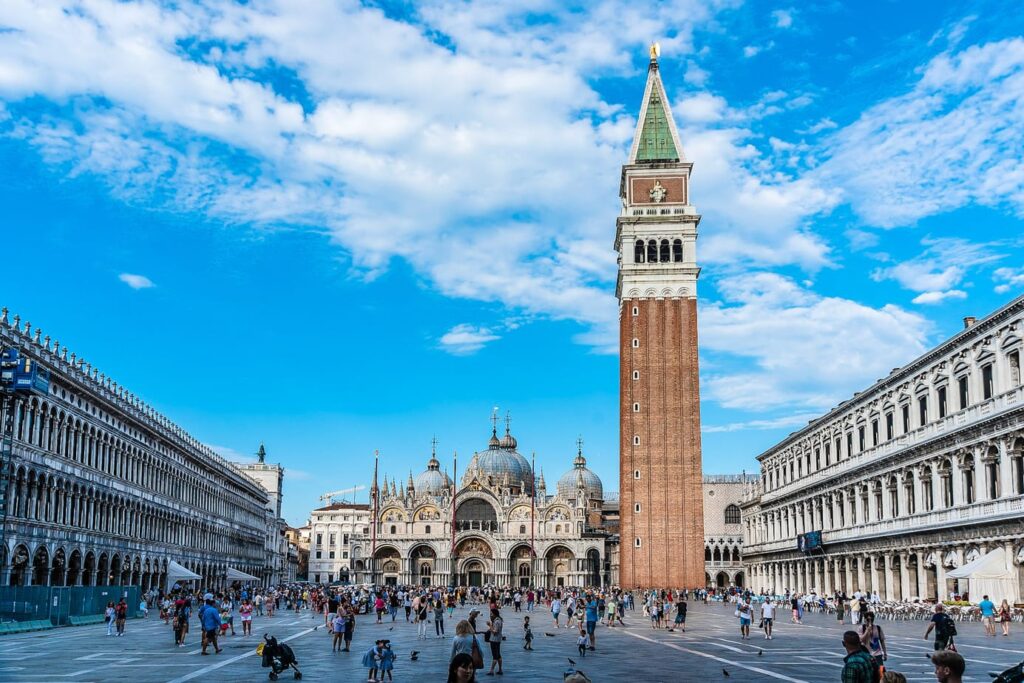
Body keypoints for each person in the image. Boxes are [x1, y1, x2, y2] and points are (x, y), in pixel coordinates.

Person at [485, 608, 503, 676]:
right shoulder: (497, 620)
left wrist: (490, 625)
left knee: (495, 655)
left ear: (495, 614)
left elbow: (495, 632)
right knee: (498, 655)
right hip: (497, 639)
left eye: (491, 614)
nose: (490, 615)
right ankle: (500, 669)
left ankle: (491, 670)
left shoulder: (497, 621)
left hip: (494, 639)